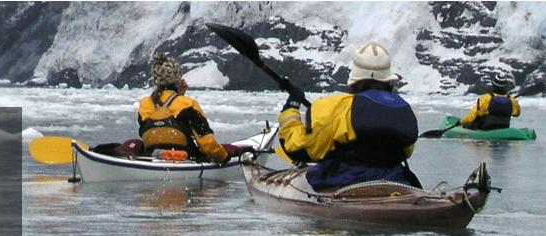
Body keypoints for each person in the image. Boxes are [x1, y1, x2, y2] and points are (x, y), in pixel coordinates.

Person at [275, 42, 421, 190]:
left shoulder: (336, 108)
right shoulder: (402, 109)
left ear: (354, 80)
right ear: (388, 81)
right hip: (396, 181)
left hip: (345, 181)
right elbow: (407, 152)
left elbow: (298, 149)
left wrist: (291, 107)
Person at [137, 52, 248, 163]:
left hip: (152, 157)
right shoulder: (188, 104)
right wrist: (225, 157)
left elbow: (160, 129)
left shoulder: (145, 104)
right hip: (185, 158)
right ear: (178, 79)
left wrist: (179, 95)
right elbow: (207, 144)